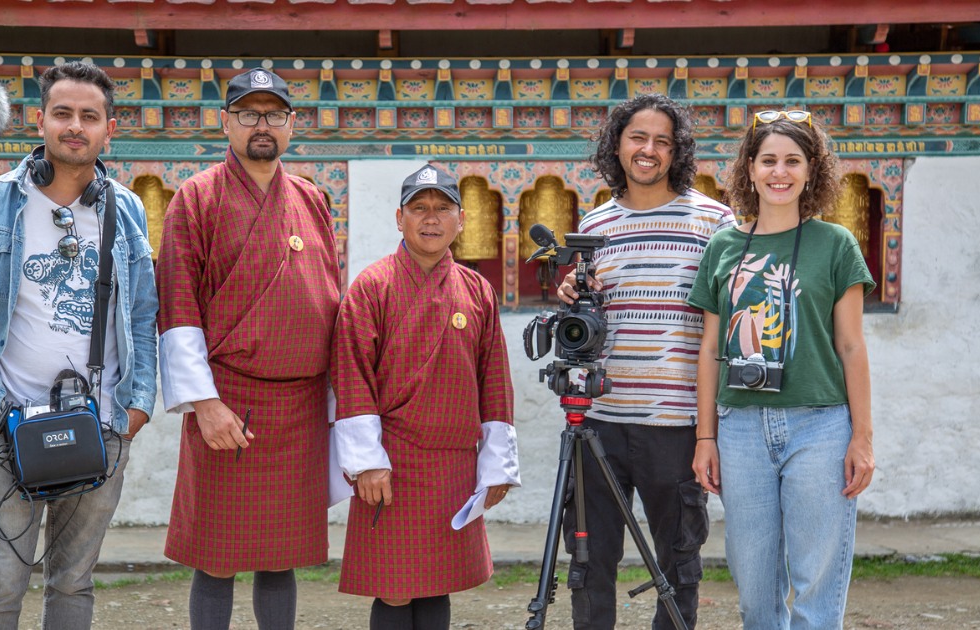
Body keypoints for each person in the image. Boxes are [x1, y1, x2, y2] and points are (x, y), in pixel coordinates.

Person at [0, 61, 158, 628]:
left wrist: (138, 406)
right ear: (40, 121)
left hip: (101, 422)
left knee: (73, 583)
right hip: (4, 422)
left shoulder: (126, 210)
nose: (75, 126)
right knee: (2, 584)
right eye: (63, 113)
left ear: (110, 128)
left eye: (89, 115)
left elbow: (143, 311)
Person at [156, 67, 341, 630]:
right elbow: (178, 306)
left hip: (300, 407)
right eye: (248, 114)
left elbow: (332, 300)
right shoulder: (197, 197)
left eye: (274, 114)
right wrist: (204, 404)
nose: (262, 126)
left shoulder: (312, 198)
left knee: (279, 557)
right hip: (228, 402)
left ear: (291, 124)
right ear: (226, 122)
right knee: (216, 558)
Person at [688, 110, 875, 629]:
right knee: (755, 592)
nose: (780, 172)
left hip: (819, 424)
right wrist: (706, 437)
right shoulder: (723, 247)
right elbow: (708, 349)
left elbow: (851, 346)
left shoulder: (837, 244)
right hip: (742, 428)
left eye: (793, 161)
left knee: (816, 588)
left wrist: (862, 436)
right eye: (768, 159)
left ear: (812, 171)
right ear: (749, 169)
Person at [556, 93, 735, 630]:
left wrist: (709, 431)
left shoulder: (716, 222)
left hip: (676, 423)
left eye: (663, 140)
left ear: (678, 150)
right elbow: (590, 313)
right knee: (589, 563)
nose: (649, 150)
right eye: (638, 137)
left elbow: (726, 325)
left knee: (679, 562)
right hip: (600, 419)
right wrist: (571, 291)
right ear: (618, 144)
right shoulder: (596, 224)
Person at [330, 165, 521, 630]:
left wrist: (496, 464)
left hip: (453, 464)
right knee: (394, 589)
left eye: (442, 209)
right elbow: (351, 377)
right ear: (400, 218)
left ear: (461, 220)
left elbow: (494, 381)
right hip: (390, 464)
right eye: (419, 208)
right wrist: (366, 461)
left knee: (438, 583)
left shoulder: (477, 290)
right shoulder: (371, 287)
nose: (430, 219)